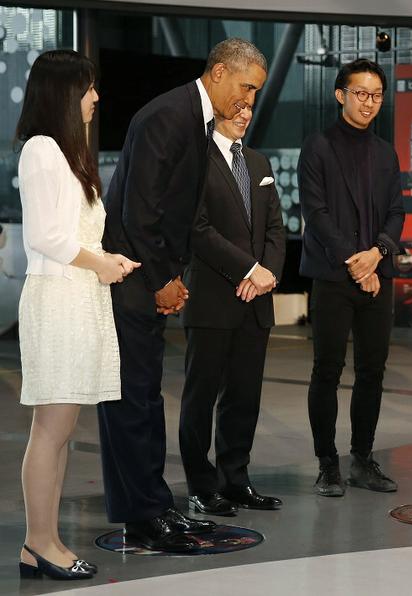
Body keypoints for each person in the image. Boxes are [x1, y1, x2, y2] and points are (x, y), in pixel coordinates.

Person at [98, 38, 267, 551]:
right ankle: (144, 515)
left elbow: (175, 214)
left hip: (146, 276)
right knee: (133, 400)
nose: (249, 102)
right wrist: (162, 280)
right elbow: (139, 211)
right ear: (218, 73)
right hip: (132, 278)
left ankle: (153, 508)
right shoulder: (169, 116)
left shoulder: (194, 120)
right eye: (245, 88)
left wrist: (171, 277)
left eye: (256, 92)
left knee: (146, 397)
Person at [15, 50, 140, 580]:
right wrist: (102, 263)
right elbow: (46, 237)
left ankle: (41, 542)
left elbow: (73, 235)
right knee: (51, 428)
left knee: (60, 429)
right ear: (65, 92)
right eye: (88, 87)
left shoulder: (64, 153)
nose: (96, 97)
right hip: (59, 298)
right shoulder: (42, 149)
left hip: (77, 295)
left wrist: (106, 261)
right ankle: (40, 542)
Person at [298, 58, 405, 497]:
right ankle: (328, 463)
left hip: (377, 275)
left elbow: (397, 211)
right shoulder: (318, 146)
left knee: (372, 371)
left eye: (376, 95)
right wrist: (356, 263)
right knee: (327, 369)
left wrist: (376, 254)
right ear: (340, 94)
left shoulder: (385, 153)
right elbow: (316, 214)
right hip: (333, 277)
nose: (369, 102)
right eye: (360, 93)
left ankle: (363, 458)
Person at [179, 105, 286, 516]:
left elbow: (275, 227)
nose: (245, 113)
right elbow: (197, 229)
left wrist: (268, 274)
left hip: (257, 299)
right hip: (211, 298)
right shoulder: (196, 159)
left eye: (251, 106)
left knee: (244, 397)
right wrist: (249, 268)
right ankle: (200, 488)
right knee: (200, 398)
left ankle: (235, 481)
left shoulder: (257, 161)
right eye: (238, 105)